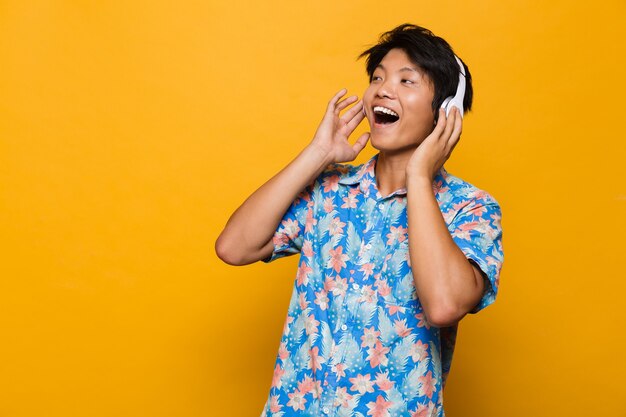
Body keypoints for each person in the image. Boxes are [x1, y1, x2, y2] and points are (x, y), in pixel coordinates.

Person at [216, 23, 504, 417]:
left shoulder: (469, 207)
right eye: (378, 78)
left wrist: (419, 176)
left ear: (446, 111)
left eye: (407, 81)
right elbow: (234, 248)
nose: (383, 89)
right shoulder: (329, 189)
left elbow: (443, 305)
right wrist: (318, 153)